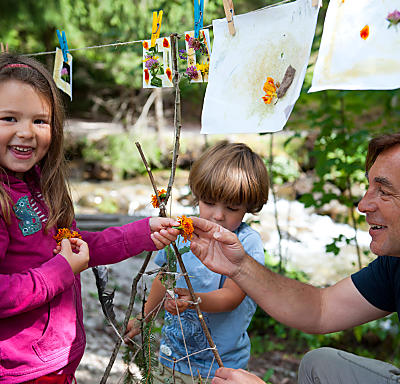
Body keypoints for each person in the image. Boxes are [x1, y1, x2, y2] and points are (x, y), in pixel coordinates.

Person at [0, 53, 180, 384]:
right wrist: (60, 271)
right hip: (20, 371)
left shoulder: (43, 184)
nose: (25, 132)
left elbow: (80, 248)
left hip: (57, 363)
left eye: (40, 121)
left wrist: (142, 233)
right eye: (9, 118)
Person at [189, 132, 400, 384]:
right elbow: (321, 309)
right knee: (320, 364)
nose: (363, 204)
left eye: (384, 191)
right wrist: (240, 266)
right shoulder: (394, 263)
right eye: (368, 187)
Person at [125, 142, 270, 383]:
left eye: (232, 207)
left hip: (219, 366)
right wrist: (145, 316)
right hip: (171, 357)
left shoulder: (247, 243)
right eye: (209, 203)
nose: (218, 215)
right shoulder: (185, 233)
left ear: (249, 207)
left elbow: (231, 298)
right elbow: (165, 276)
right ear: (197, 196)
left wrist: (193, 302)